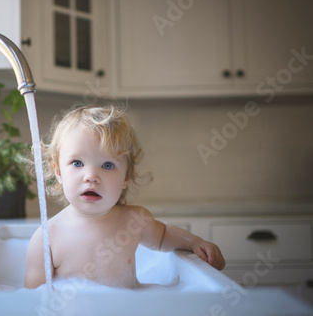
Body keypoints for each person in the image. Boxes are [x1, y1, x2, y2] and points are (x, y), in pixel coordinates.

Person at [24, 105, 225, 289]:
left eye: (108, 165)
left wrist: (194, 242)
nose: (91, 176)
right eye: (77, 163)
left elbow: (163, 237)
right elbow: (34, 299)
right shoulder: (46, 239)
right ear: (58, 172)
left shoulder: (134, 220)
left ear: (126, 177)